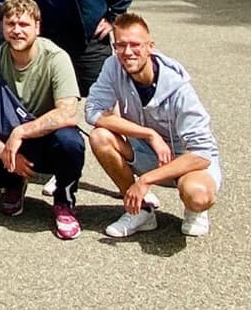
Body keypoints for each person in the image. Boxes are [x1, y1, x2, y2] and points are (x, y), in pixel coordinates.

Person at [86, 13, 220, 238]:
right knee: (100, 136)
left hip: (186, 160)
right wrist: (148, 134)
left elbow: (202, 153)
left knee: (198, 196)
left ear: (150, 47)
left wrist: (146, 180)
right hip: (148, 153)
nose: (128, 52)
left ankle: (194, 211)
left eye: (135, 45)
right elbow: (93, 111)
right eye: (120, 45)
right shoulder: (113, 66)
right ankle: (141, 211)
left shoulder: (179, 89)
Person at [0, 0, 84, 240]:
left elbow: (69, 111)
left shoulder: (55, 58)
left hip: (45, 140)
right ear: (3, 27)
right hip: (7, 139)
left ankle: (64, 201)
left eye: (24, 24)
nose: (16, 30)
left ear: (37, 27)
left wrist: (22, 132)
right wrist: (4, 152)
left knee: (72, 143)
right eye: (10, 24)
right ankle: (13, 182)